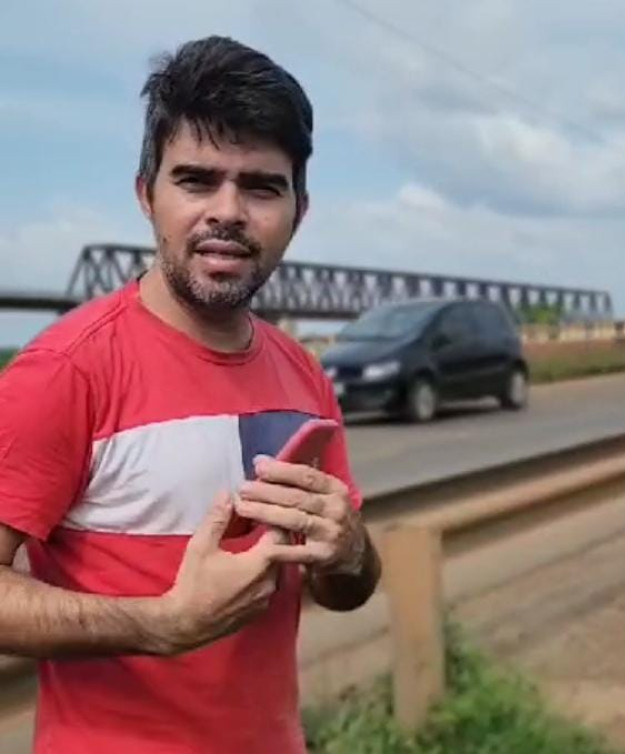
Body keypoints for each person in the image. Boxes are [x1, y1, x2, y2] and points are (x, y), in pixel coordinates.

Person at [0, 35, 381, 753]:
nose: (228, 211)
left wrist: (350, 550)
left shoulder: (304, 372)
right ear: (148, 195)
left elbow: (342, 589)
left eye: (262, 186)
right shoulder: (64, 370)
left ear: (299, 211)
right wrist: (160, 622)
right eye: (196, 180)